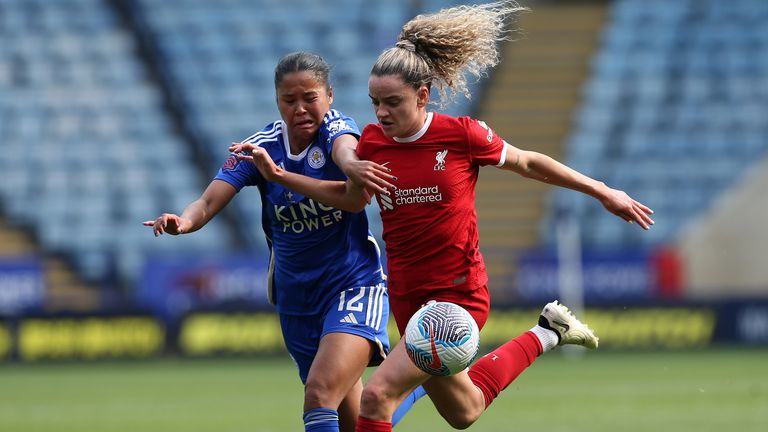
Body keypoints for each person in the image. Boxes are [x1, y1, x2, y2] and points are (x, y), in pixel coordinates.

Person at [235, 3, 655, 431]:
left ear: (422, 96)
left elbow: (528, 162)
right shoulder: (373, 145)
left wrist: (603, 191)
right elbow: (348, 199)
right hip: (406, 297)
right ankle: (549, 331)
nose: (381, 113)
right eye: (375, 102)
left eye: (392, 102)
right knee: (464, 411)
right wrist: (281, 176)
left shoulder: (461, 136)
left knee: (377, 398)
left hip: (457, 297)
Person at [144, 52, 422, 432]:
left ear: (329, 96)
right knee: (350, 417)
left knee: (319, 393)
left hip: (353, 285)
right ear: (277, 101)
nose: (301, 109)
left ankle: (408, 388)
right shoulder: (261, 148)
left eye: (310, 97)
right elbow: (209, 201)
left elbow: (344, 153)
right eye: (289, 100)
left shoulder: (339, 129)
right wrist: (184, 221)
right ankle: (417, 388)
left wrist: (352, 164)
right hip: (297, 298)